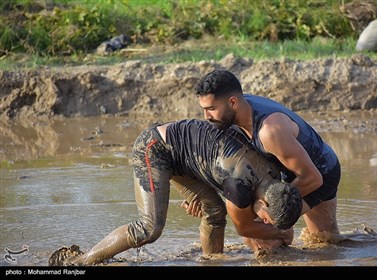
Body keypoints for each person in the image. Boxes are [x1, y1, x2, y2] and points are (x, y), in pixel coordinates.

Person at [51, 119, 302, 266]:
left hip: (186, 154)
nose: (263, 222)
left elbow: (209, 167)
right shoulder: (239, 185)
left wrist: (194, 196)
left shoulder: (273, 173)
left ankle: (212, 260)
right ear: (264, 201)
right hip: (155, 149)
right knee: (149, 228)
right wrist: (193, 196)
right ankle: (79, 262)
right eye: (267, 218)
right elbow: (243, 226)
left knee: (213, 211)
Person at [194, 70, 341, 237]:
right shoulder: (236, 111)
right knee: (326, 240)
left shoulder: (269, 132)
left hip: (320, 173)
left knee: (255, 227)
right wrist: (201, 194)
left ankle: (284, 237)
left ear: (233, 102)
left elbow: (313, 178)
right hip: (295, 171)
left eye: (211, 109)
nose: (206, 116)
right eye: (204, 109)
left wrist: (264, 207)